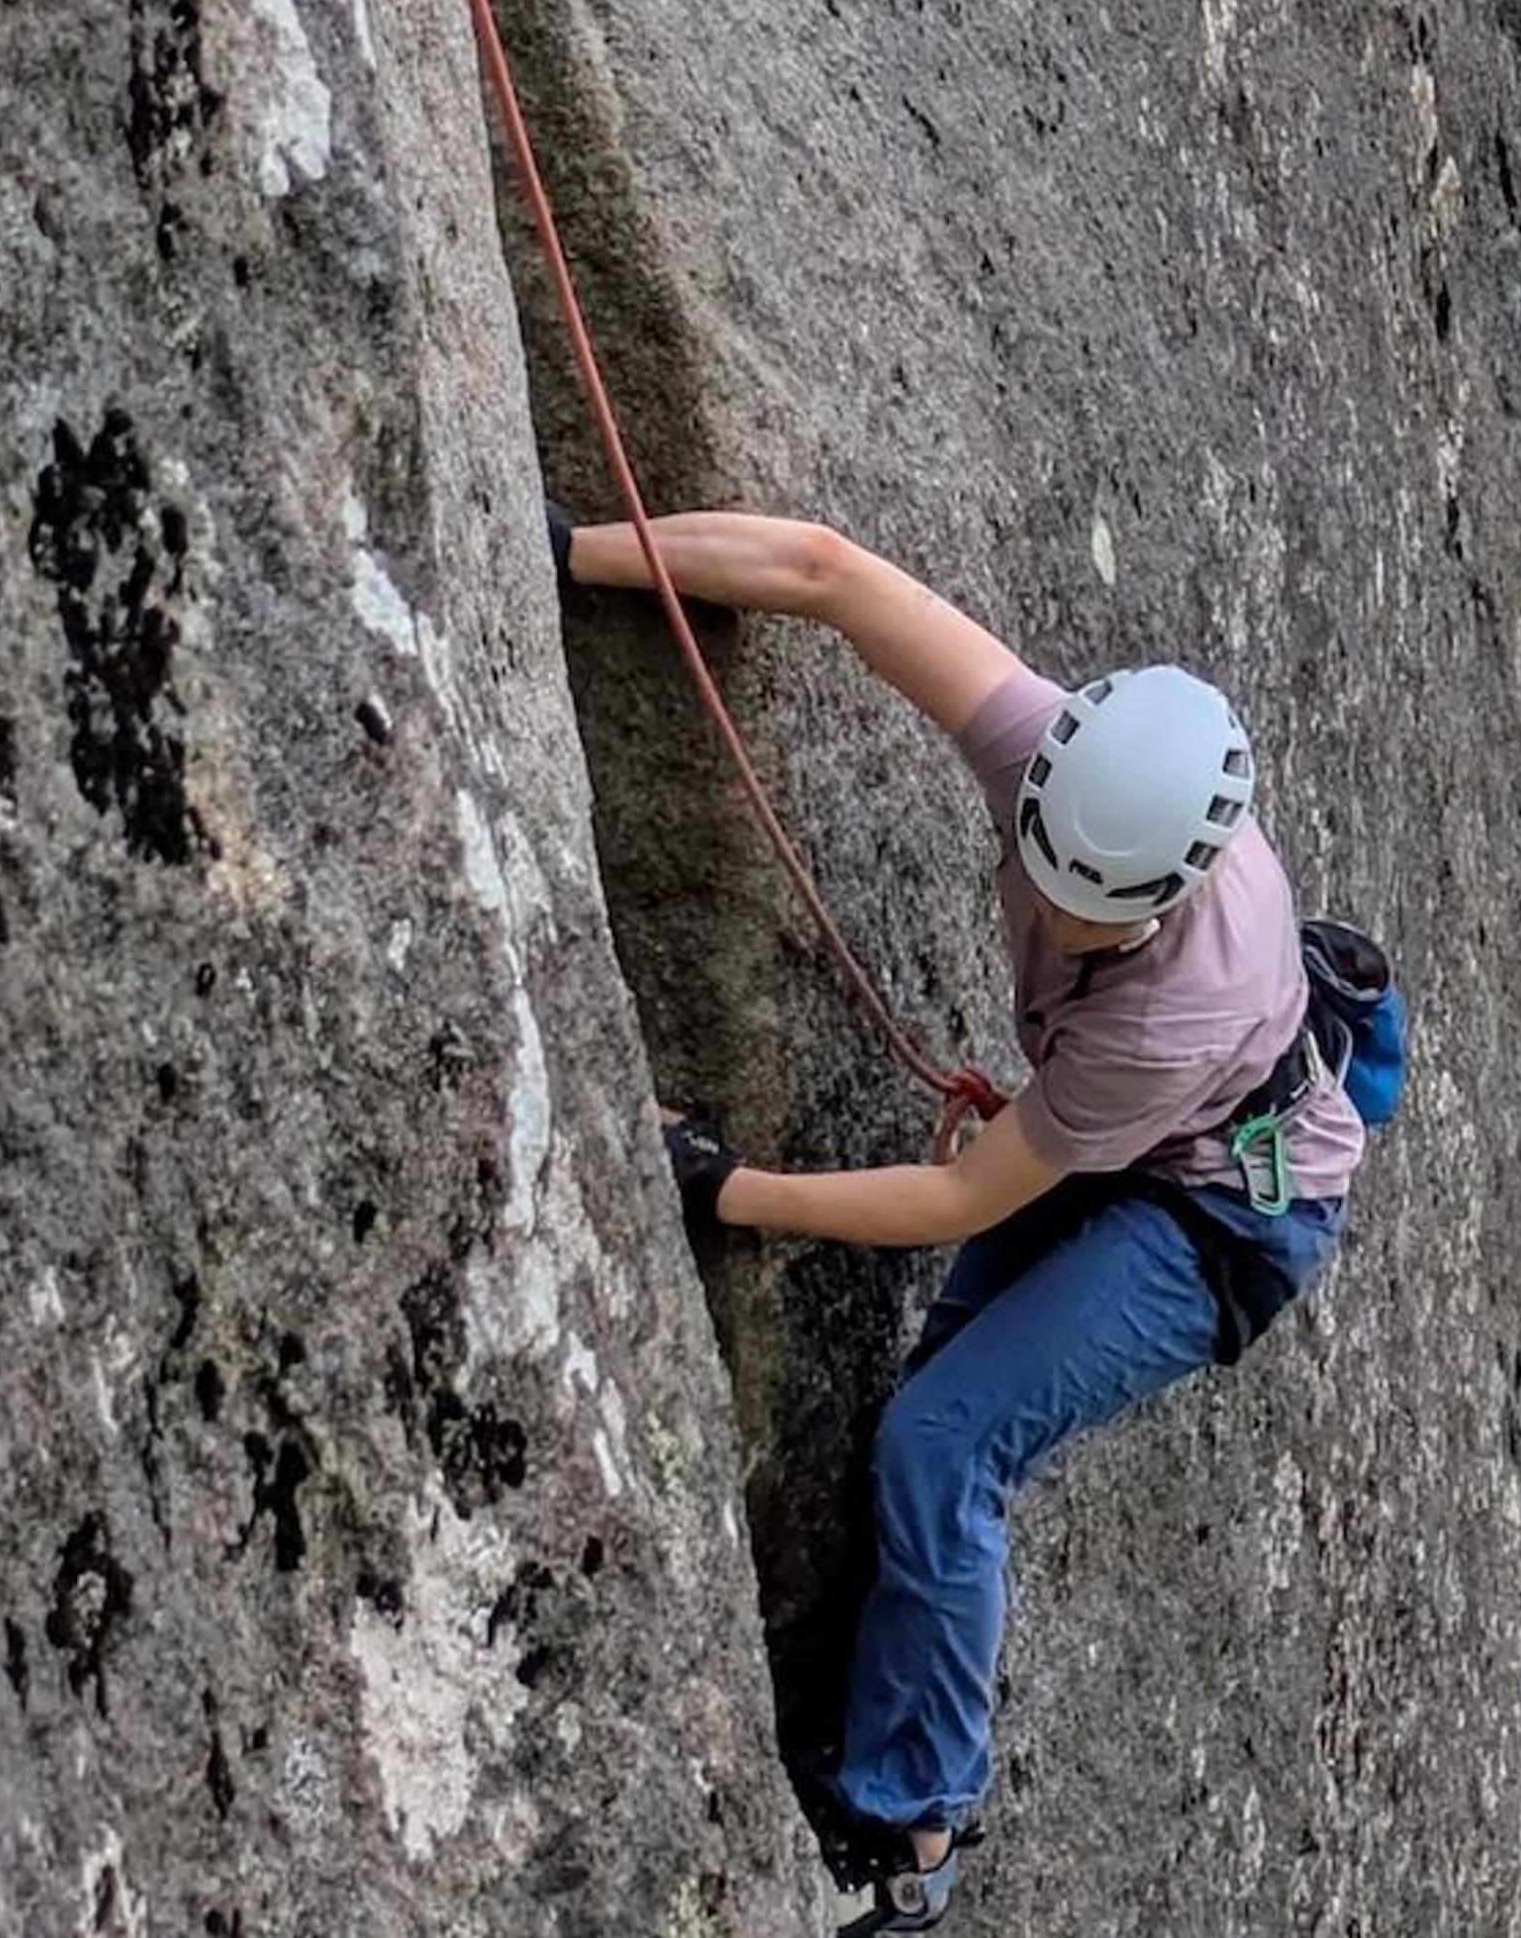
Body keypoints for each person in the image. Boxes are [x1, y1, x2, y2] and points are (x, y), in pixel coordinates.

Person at [559, 510, 1360, 1935]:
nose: (1051, 905)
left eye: (1087, 910)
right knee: (937, 1422)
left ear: (1164, 896)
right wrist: (570, 550)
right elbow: (827, 572)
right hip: (1140, 1134)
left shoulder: (1181, 1005)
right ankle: (892, 1733)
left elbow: (956, 1197)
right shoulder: (1061, 761)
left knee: (946, 1440)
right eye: (1040, 863)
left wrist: (722, 1189)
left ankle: (909, 1836)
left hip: (1222, 1217)